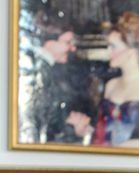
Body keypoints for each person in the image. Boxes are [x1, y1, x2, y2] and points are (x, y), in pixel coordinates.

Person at [89, 11, 139, 149]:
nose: (109, 51)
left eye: (113, 46)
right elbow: (101, 134)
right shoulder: (111, 85)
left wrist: (124, 147)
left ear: (131, 50)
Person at [17, 10, 93, 145]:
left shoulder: (48, 68)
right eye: (68, 42)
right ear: (49, 42)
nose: (73, 48)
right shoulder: (33, 70)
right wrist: (71, 128)